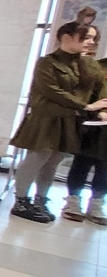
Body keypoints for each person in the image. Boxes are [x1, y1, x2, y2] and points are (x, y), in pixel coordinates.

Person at [10, 22, 107, 223]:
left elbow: (96, 88)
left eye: (93, 38)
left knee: (53, 162)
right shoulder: (48, 62)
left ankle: (41, 199)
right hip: (47, 119)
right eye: (86, 37)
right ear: (66, 37)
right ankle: (21, 200)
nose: (90, 42)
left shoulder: (88, 64)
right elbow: (52, 91)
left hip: (71, 121)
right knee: (37, 159)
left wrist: (98, 109)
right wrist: (86, 107)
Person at [61, 25, 107, 224]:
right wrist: (99, 111)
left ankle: (97, 203)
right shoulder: (98, 67)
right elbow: (85, 92)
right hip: (93, 124)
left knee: (105, 169)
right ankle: (73, 201)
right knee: (82, 163)